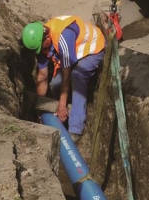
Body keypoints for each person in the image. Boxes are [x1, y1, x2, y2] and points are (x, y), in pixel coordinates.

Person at [21, 15, 106, 143]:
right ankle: (69, 105)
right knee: (55, 84)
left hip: (92, 48)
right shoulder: (42, 41)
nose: (42, 51)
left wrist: (61, 105)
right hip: (75, 51)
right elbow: (43, 76)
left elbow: (66, 76)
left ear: (47, 39)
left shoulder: (63, 38)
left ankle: (75, 128)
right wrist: (40, 106)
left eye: (42, 48)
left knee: (77, 76)